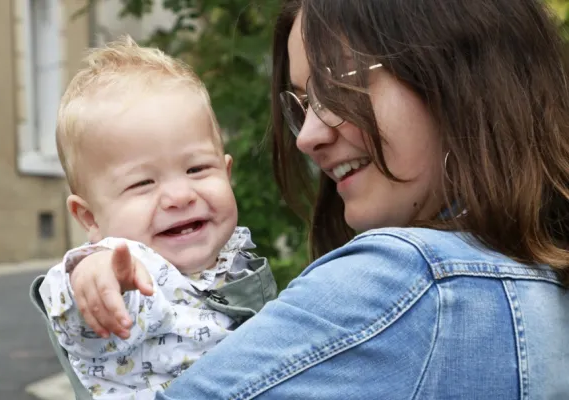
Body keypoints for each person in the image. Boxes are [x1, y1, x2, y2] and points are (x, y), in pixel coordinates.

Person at [150, 0, 565, 398]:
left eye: (339, 86)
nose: (308, 137)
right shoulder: (540, 281)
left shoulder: (409, 280)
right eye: (304, 103)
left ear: (460, 80)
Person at [32, 36, 276, 400]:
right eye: (143, 183)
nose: (180, 196)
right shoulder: (128, 271)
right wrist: (93, 276)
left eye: (196, 169)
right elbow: (74, 300)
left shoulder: (234, 258)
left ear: (226, 173)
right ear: (89, 218)